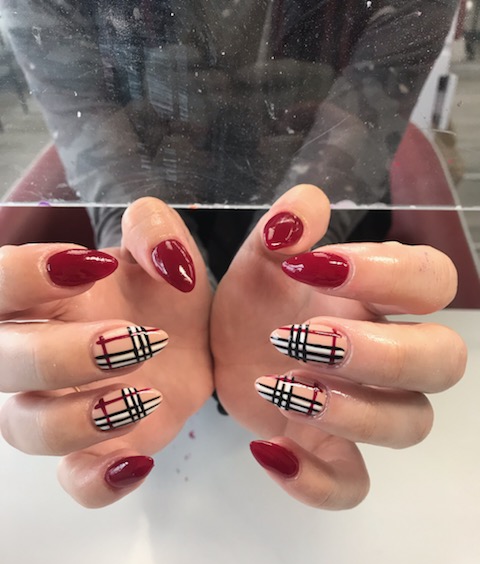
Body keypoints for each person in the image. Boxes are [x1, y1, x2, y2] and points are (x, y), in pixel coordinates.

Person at [0, 1, 467, 508]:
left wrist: (299, 269)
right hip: (146, 300)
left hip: (309, 288)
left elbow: (352, 143)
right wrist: (139, 256)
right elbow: (100, 145)